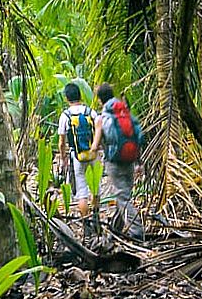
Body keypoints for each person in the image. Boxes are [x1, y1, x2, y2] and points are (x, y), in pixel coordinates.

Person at [91, 82, 144, 241]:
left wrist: (93, 151)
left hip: (114, 161)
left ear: (100, 100)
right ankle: (117, 227)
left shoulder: (103, 117)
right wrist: (139, 162)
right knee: (125, 194)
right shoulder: (126, 113)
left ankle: (137, 231)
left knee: (122, 197)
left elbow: (96, 144)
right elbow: (137, 136)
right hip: (130, 159)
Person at [57, 82, 98, 233]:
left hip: (77, 156)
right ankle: (97, 218)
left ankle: (86, 225)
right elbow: (99, 131)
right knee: (95, 187)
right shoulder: (90, 112)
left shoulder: (65, 116)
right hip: (93, 154)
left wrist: (63, 159)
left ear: (67, 98)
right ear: (80, 95)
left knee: (82, 190)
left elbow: (61, 142)